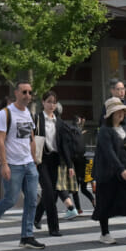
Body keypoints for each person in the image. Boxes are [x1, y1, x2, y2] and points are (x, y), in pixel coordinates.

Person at [0, 80, 44, 249]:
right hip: (12, 164)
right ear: (16, 93)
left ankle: (27, 236)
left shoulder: (28, 113)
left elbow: (30, 138)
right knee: (10, 199)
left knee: (31, 200)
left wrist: (34, 159)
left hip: (28, 163)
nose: (27, 95)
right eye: (24, 92)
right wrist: (4, 164)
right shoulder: (5, 114)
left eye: (30, 92)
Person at [92, 97, 126, 245]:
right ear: (110, 114)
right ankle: (105, 233)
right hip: (108, 173)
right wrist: (121, 168)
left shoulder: (123, 130)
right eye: (117, 111)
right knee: (105, 203)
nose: (120, 114)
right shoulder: (104, 131)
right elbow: (109, 153)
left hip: (124, 171)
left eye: (122, 111)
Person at [34, 90, 77, 235]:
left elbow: (64, 145)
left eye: (54, 102)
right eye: (49, 102)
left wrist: (69, 165)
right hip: (40, 160)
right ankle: (54, 228)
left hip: (55, 160)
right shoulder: (37, 119)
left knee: (51, 193)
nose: (52, 105)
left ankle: (36, 217)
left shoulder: (59, 122)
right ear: (43, 102)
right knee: (48, 192)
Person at [98, 77, 126, 159]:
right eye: (119, 89)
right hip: (114, 144)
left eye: (123, 89)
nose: (122, 91)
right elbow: (102, 124)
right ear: (112, 90)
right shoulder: (108, 105)